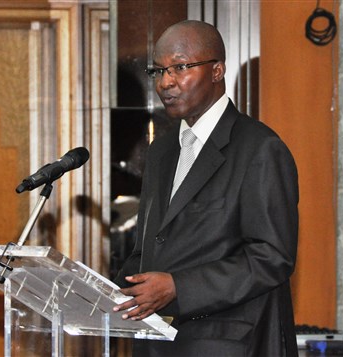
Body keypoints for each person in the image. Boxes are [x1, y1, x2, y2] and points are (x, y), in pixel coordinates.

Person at [113, 20, 299, 357]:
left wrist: (178, 287)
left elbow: (271, 257)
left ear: (217, 71)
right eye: (158, 71)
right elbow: (150, 249)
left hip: (226, 344)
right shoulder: (161, 152)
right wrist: (101, 292)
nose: (166, 82)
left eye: (180, 67)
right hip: (156, 342)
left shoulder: (259, 148)